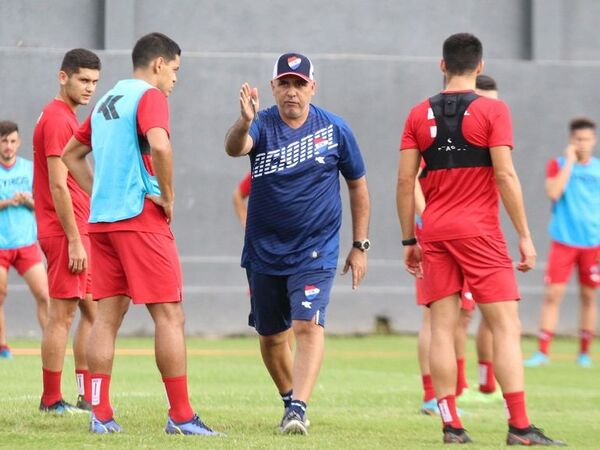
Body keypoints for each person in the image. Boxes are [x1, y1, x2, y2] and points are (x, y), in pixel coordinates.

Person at [397, 33, 563, 445]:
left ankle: (452, 426)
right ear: (480, 66)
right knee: (505, 325)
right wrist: (524, 235)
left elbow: (404, 182)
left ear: (442, 65)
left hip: (434, 231)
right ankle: (520, 428)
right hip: (480, 232)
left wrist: (408, 241)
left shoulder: (418, 113)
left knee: (441, 328)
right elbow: (505, 175)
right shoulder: (494, 110)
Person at [62, 32, 221, 436]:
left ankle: (100, 413)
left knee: (106, 319)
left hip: (103, 223)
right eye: (175, 70)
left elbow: (70, 156)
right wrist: (167, 196)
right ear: (158, 64)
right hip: (140, 219)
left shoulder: (104, 101)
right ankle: (181, 416)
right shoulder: (150, 98)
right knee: (170, 315)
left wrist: (101, 188)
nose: (175, 79)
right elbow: (161, 147)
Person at [225, 52, 370, 435]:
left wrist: (360, 244)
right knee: (272, 337)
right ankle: (289, 398)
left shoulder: (335, 129)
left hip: (315, 249)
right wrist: (244, 121)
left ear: (312, 88)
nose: (292, 92)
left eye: (299, 84)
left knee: (307, 326)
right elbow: (234, 148)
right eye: (285, 83)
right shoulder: (261, 125)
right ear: (273, 87)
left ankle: (300, 407)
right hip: (264, 250)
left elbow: (357, 185)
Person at [417, 74, 501, 415]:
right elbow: (411, 183)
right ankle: (431, 396)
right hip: (439, 233)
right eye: (484, 98)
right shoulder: (443, 135)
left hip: (469, 232)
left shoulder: (485, 135)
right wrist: (427, 222)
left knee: (464, 314)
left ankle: (461, 387)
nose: (489, 105)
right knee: (437, 318)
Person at [33, 49, 100, 413]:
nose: (89, 88)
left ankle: (86, 395)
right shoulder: (59, 119)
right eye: (83, 80)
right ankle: (50, 399)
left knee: (93, 313)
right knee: (64, 315)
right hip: (66, 232)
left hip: (77, 229)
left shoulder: (66, 117)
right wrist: (74, 238)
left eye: (94, 82)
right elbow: (58, 185)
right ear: (64, 77)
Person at [525, 118, 600, 368]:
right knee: (552, 295)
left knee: (589, 297)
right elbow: (554, 192)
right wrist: (569, 161)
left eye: (587, 139)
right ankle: (543, 351)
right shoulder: (557, 165)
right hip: (563, 241)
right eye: (578, 139)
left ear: (594, 141)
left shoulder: (598, 169)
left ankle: (584, 353)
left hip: (592, 242)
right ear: (571, 140)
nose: (583, 144)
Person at [0, 121, 49, 359]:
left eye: (12, 141)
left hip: (26, 243)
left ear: (18, 142)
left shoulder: (29, 169)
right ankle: (2, 347)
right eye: (4, 141)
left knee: (44, 294)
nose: (8, 146)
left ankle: (50, 343)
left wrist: (27, 200)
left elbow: (41, 204)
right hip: (1, 245)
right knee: (0, 295)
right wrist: (9, 202)